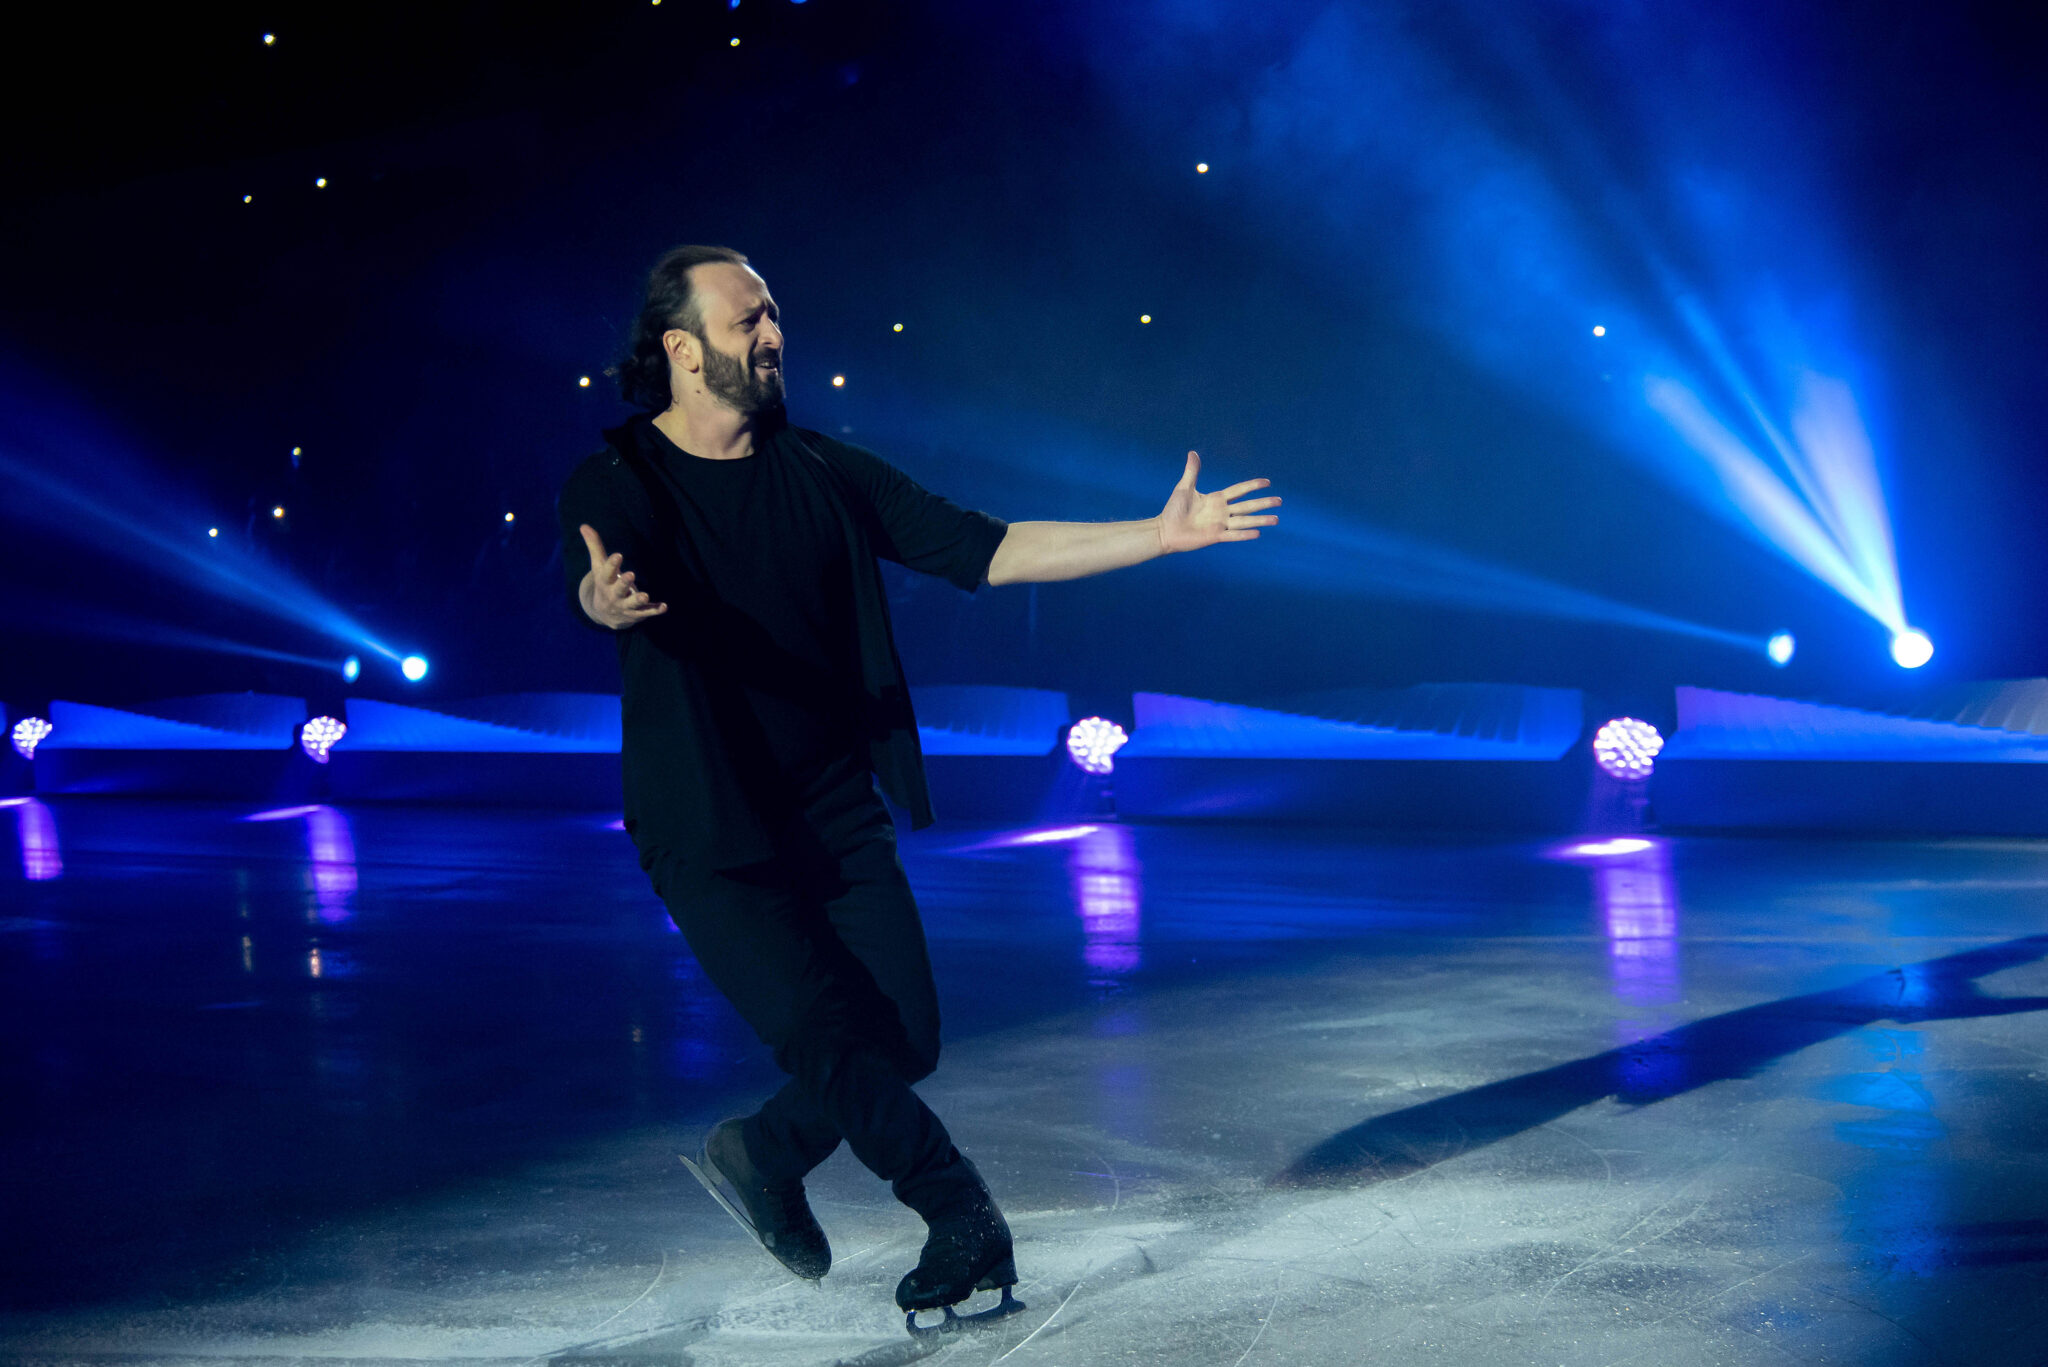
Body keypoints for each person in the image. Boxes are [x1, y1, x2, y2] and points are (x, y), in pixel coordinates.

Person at [556, 244, 1280, 1321]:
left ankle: (760, 1148)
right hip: (709, 820)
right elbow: (597, 574)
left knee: (903, 1033)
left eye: (774, 313)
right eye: (747, 318)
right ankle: (958, 1213)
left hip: (831, 806)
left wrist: (1154, 535)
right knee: (824, 1032)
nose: (771, 333)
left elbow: (988, 546)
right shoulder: (620, 479)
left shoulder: (823, 473)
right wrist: (598, 601)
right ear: (680, 350)